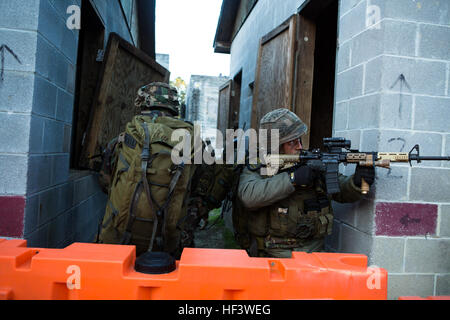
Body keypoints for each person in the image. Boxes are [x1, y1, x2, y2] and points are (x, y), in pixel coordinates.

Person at [97, 82, 217, 258]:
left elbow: (105, 182)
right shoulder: (195, 145)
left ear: (144, 103)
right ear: (174, 106)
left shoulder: (122, 140)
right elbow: (201, 191)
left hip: (118, 239)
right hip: (169, 243)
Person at [236, 108, 375, 258]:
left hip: (313, 252)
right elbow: (249, 195)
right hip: (273, 253)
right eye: (292, 142)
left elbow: (341, 190)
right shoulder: (260, 165)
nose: (300, 146)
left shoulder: (310, 161)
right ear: (276, 147)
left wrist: (359, 182)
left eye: (299, 140)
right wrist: (292, 178)